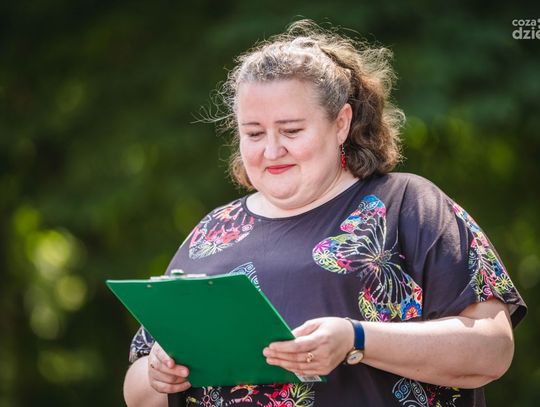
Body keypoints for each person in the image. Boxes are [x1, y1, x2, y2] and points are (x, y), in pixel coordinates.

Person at [122, 20, 526, 407]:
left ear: (341, 124)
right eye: (254, 133)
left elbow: (492, 349)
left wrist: (357, 340)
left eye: (291, 130)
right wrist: (161, 371)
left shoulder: (406, 204)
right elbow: (136, 392)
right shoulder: (214, 230)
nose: (272, 150)